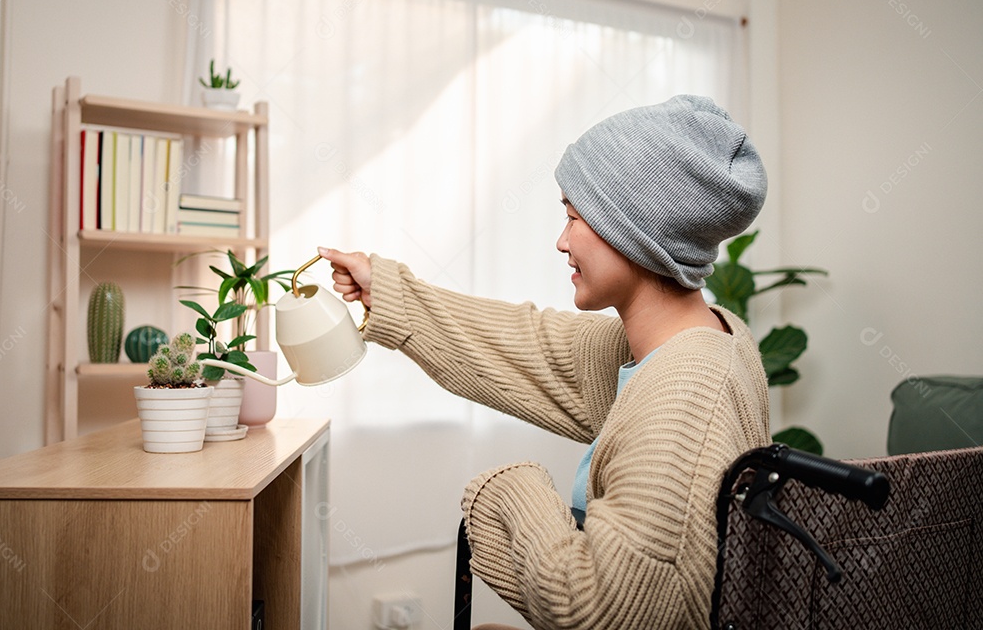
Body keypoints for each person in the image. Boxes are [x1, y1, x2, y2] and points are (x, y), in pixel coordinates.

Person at [319, 95, 771, 630]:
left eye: (573, 217)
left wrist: (510, 490)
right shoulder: (699, 341)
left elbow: (598, 611)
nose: (561, 241)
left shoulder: (685, 405)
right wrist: (388, 291)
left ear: (632, 233)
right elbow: (530, 346)